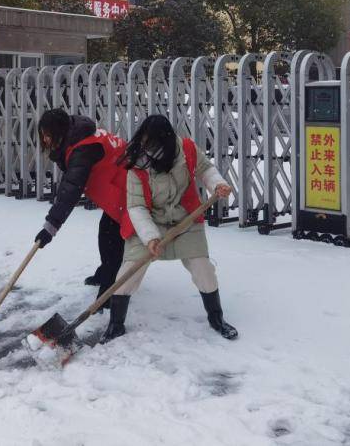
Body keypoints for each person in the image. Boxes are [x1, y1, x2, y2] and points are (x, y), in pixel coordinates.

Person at [106, 114, 237, 343]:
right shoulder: (136, 163)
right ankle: (115, 324)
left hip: (184, 220)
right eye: (146, 143)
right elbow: (136, 207)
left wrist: (218, 184)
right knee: (128, 273)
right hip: (149, 222)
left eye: (154, 145)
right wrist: (150, 238)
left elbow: (205, 169)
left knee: (203, 268)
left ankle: (216, 318)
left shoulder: (185, 149)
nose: (149, 150)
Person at [33, 109, 148, 308]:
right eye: (43, 134)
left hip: (129, 189)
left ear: (60, 132)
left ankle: (109, 293)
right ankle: (106, 274)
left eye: (48, 134)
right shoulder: (78, 136)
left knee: (113, 240)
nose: (44, 139)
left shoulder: (83, 150)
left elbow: (70, 191)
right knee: (106, 233)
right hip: (120, 185)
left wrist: (50, 227)